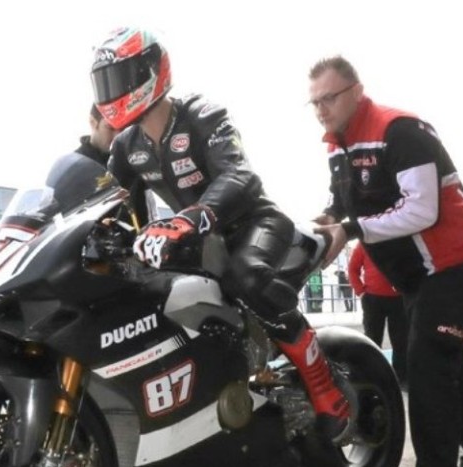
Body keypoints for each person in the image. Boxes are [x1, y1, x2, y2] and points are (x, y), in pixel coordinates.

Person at [90, 27, 351, 442]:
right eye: (105, 82)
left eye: (119, 79)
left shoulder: (202, 114)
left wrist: (196, 216)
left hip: (253, 223)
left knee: (245, 276)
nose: (112, 91)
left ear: (149, 72)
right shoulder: (126, 146)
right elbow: (113, 203)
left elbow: (239, 173)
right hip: (194, 239)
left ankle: (324, 384)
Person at [308, 55, 463, 467]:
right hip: (415, 275)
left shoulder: (400, 130)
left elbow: (421, 208)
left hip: (450, 261)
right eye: (314, 101)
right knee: (454, 365)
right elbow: (345, 202)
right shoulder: (338, 145)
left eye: (329, 97)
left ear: (357, 90)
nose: (320, 108)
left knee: (427, 368)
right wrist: (328, 220)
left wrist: (351, 228)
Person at [347, 241, 408, 386]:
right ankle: (371, 377)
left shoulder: (401, 241)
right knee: (372, 340)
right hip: (372, 300)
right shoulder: (364, 243)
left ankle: (402, 378)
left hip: (399, 299)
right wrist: (361, 292)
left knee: (401, 342)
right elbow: (352, 269)